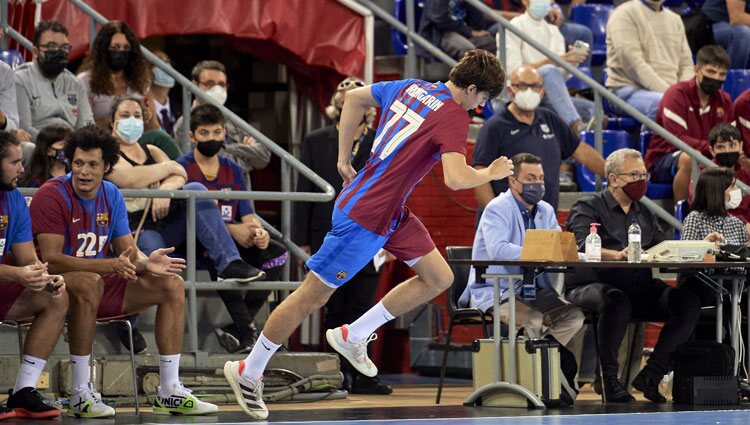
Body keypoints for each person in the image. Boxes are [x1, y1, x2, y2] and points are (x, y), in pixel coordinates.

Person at [223, 49, 513, 420]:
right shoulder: (454, 114)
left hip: (389, 211)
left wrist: (344, 157)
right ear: (471, 89)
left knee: (439, 276)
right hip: (366, 214)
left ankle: (354, 334)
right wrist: (490, 171)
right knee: (311, 295)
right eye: (483, 100)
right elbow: (456, 179)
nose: (479, 108)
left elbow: (355, 97)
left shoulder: (411, 86)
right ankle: (250, 369)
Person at [30, 124, 218, 418]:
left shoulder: (111, 194)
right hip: (52, 288)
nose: (84, 171)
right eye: (78, 163)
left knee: (171, 284)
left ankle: (169, 389)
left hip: (98, 282)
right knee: (91, 282)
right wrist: (110, 266)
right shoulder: (51, 194)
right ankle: (81, 392)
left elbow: (126, 252)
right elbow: (52, 260)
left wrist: (145, 264)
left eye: (93, 164)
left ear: (107, 166)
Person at [565, 148, 707, 403]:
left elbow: (661, 247)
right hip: (592, 286)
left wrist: (698, 246)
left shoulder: (644, 212)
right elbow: (581, 244)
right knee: (615, 301)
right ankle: (610, 381)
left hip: (638, 287)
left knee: (687, 303)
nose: (641, 181)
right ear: (614, 178)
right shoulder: (587, 206)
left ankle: (652, 374)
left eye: (644, 174)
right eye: (634, 174)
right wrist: (615, 255)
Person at [458, 153, 583, 405]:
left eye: (540, 178)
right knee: (533, 319)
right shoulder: (496, 208)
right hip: (495, 289)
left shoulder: (545, 210)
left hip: (532, 289)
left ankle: (545, 366)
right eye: (530, 178)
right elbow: (498, 250)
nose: (537, 184)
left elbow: (555, 246)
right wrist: (539, 251)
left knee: (573, 316)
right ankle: (534, 384)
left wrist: (580, 254)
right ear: (512, 181)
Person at [293, 77, 392, 395]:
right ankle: (335, 374)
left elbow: (389, 189)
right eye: (341, 89)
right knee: (331, 305)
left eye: (355, 89)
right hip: (326, 232)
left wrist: (390, 238)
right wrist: (301, 240)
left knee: (363, 306)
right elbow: (304, 189)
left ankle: (364, 375)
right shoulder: (317, 139)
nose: (347, 94)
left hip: (368, 233)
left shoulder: (379, 141)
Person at [105, 96, 265, 283]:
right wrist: (166, 171)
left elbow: (180, 173)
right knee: (160, 273)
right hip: (134, 230)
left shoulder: (152, 150)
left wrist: (165, 189)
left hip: (164, 221)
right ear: (112, 121)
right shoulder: (108, 155)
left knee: (196, 189)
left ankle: (230, 264)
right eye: (125, 115)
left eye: (137, 115)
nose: (131, 120)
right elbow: (128, 178)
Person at [177, 104, 289, 353]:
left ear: (224, 133)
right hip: (197, 242)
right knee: (221, 261)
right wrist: (233, 230)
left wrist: (257, 232)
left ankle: (237, 330)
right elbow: (191, 220)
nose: (212, 138)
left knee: (278, 253)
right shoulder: (181, 168)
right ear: (192, 137)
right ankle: (249, 335)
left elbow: (248, 215)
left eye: (217, 132)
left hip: (236, 239)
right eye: (204, 133)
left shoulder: (234, 169)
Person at [473, 66, 605, 213]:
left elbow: (581, 151)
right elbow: (480, 175)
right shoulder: (494, 127)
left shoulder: (550, 119)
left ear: (542, 91)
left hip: (544, 221)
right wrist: (495, 215)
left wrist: (612, 174)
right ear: (510, 90)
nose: (529, 91)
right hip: (507, 221)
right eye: (522, 86)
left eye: (535, 86)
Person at [0, 130, 66, 420]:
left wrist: (44, 277)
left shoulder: (14, 199)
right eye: (14, 162)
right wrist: (17, 273)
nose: (22, 169)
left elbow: (28, 259)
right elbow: (18, 269)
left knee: (56, 298)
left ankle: (24, 390)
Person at [646, 45, 735, 202]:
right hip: (665, 157)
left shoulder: (725, 100)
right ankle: (683, 219)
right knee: (689, 158)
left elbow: (728, 137)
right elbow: (678, 139)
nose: (716, 78)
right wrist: (713, 148)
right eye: (711, 72)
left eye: (722, 74)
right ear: (696, 69)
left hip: (708, 155)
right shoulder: (676, 94)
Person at [505, 0, 594, 133]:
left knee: (594, 110)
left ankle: (577, 144)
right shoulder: (513, 27)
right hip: (521, 92)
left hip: (546, 95)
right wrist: (554, 60)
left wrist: (571, 62)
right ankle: (575, 124)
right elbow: (513, 71)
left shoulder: (554, 32)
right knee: (548, 70)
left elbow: (559, 77)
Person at [173, 60, 271, 177]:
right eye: (209, 83)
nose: (217, 89)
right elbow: (204, 166)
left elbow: (264, 158)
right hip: (207, 193)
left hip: (240, 193)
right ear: (194, 85)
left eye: (221, 84)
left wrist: (228, 149)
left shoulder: (233, 121)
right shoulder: (185, 123)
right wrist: (246, 154)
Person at [605, 0, 694, 121]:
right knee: (664, 105)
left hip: (670, 92)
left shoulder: (675, 19)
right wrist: (673, 95)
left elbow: (686, 65)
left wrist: (683, 93)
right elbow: (634, 65)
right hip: (627, 91)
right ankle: (652, 140)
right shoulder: (623, 14)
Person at [14, 20, 94, 141]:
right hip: (39, 147)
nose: (59, 52)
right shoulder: (20, 80)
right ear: (35, 52)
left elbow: (87, 125)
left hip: (71, 146)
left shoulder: (74, 83)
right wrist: (54, 145)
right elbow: (24, 128)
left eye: (64, 47)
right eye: (51, 46)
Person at [679, 167, 746, 306]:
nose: (737, 191)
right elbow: (683, 258)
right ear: (717, 192)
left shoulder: (737, 224)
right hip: (703, 283)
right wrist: (704, 246)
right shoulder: (695, 218)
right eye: (732, 187)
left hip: (734, 285)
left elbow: (742, 266)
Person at [77, 20, 158, 131]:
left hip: (136, 143)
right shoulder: (85, 81)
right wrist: (119, 118)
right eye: (115, 47)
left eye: (126, 48)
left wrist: (145, 116)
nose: (121, 52)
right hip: (102, 143)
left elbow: (153, 128)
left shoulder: (141, 81)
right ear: (103, 50)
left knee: (161, 138)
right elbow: (84, 129)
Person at [418, 0, 496, 60]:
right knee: (466, 48)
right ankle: (467, 79)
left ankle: (490, 79)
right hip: (441, 33)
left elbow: (478, 25)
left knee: (492, 43)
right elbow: (440, 20)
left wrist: (470, 4)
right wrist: (470, 32)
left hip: (463, 32)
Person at [705, 123, 750, 224]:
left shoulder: (746, 173)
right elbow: (706, 210)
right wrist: (743, 224)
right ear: (712, 150)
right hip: (718, 230)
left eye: (732, 145)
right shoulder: (705, 174)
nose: (727, 151)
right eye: (720, 147)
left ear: (740, 146)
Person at [701, 0, 750, 69]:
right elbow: (736, 17)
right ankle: (732, 78)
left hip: (731, 27)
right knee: (744, 33)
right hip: (708, 26)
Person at [150, 50, 178, 137]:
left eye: (167, 62)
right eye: (159, 62)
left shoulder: (181, 108)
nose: (166, 66)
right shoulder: (141, 109)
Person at [0, 61, 19, 132]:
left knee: (27, 143)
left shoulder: (3, 70)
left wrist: (4, 121)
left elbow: (14, 126)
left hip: (2, 137)